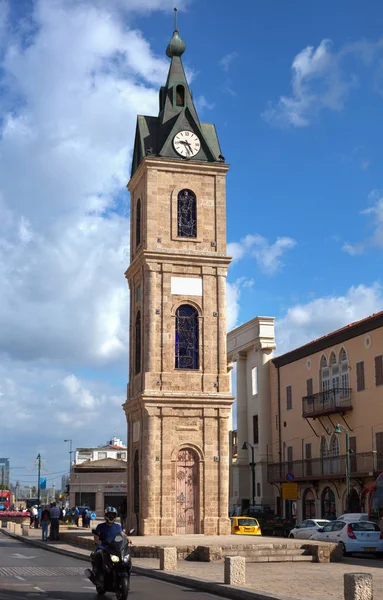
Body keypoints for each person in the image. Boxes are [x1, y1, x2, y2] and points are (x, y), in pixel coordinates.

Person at [88, 507, 130, 587]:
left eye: (113, 515)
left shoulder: (117, 526)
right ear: (106, 516)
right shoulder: (100, 526)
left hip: (113, 547)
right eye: (109, 515)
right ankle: (99, 577)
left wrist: (127, 538)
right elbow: (96, 536)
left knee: (124, 558)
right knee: (98, 555)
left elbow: (122, 534)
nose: (111, 517)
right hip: (103, 547)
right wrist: (98, 541)